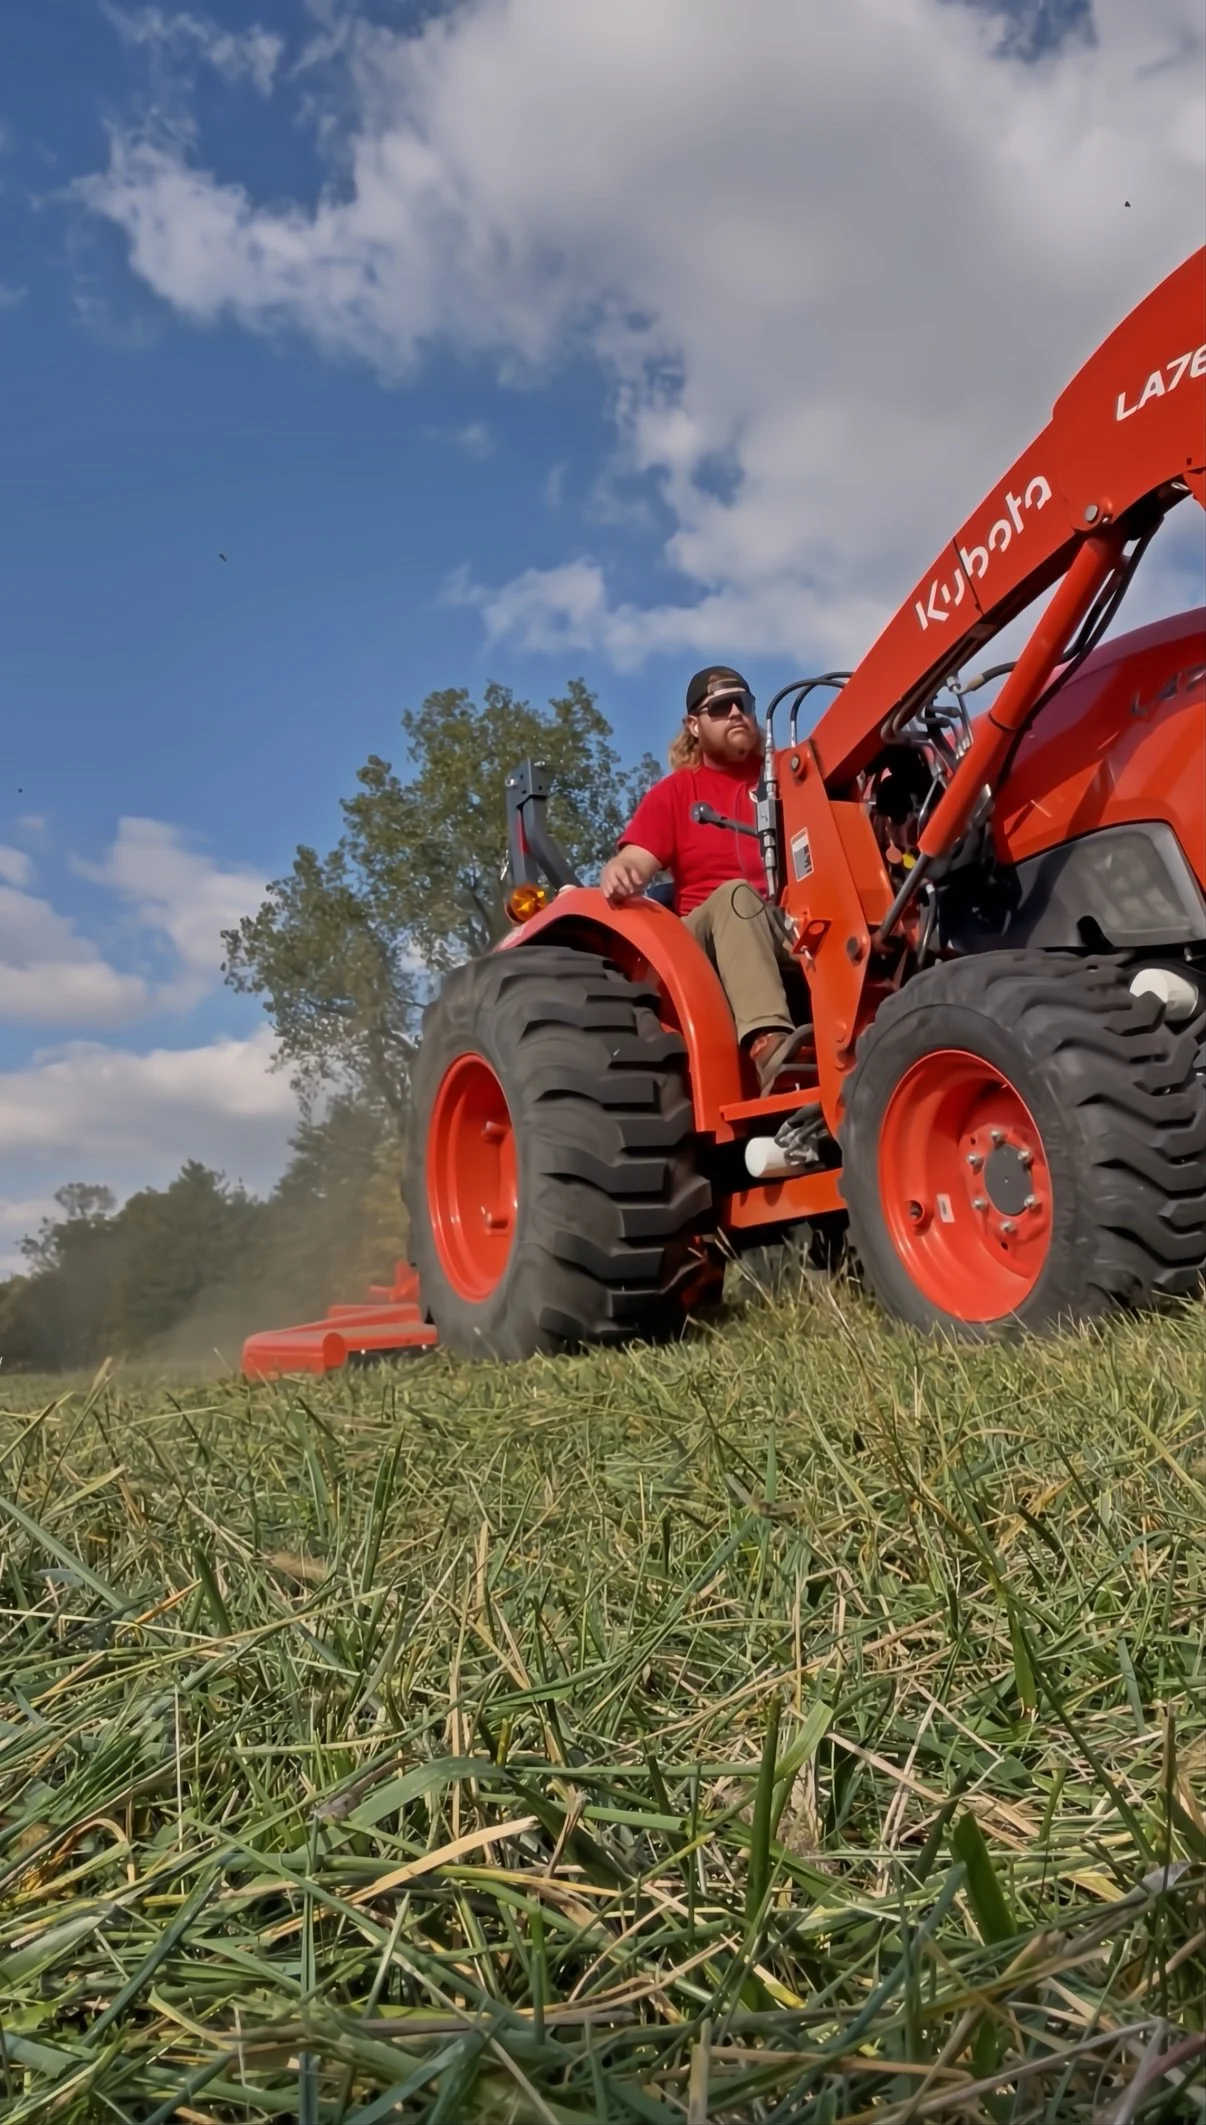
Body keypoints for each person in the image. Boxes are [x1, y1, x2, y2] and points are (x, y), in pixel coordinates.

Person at [600, 665, 796, 1089]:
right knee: (736, 898)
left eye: (742, 704)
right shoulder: (677, 792)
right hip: (703, 941)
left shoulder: (785, 778)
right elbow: (634, 860)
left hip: (786, 927)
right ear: (693, 724)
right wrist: (620, 872)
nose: (735, 714)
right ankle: (770, 1046)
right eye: (720, 708)